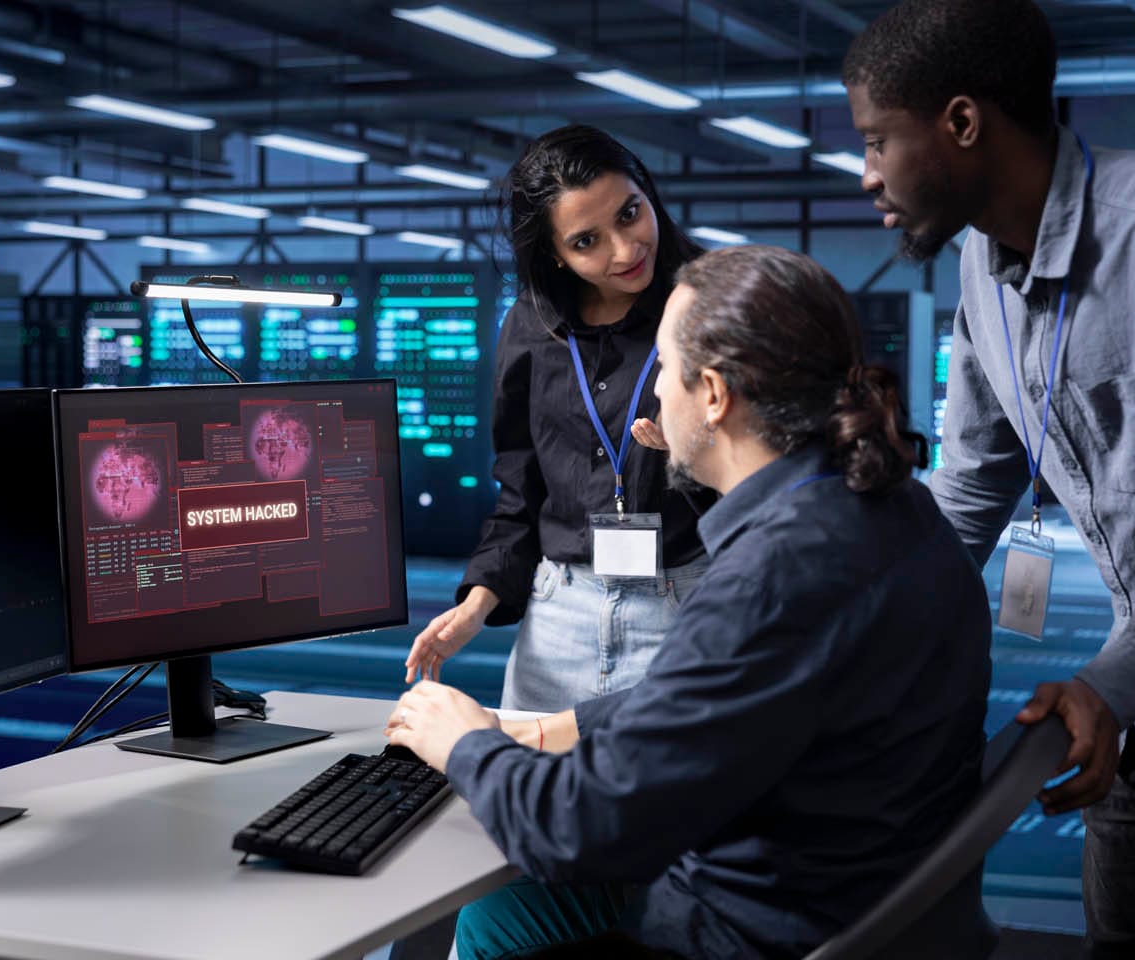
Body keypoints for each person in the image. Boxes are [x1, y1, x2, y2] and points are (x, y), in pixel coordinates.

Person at [387, 245, 996, 959]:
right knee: (496, 909)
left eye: (665, 372)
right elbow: (736, 692)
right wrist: (550, 730)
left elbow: (574, 831)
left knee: (489, 913)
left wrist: (463, 741)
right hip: (863, 907)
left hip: (737, 930)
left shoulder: (768, 577)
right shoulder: (893, 510)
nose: (654, 397)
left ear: (712, 394)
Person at [843, 2, 1135, 953]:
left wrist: (1114, 681)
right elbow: (972, 485)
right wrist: (848, 615)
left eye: (879, 141)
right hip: (1129, 727)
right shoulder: (978, 264)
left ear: (962, 123)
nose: (867, 174)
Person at [405, 124, 711, 712]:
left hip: (685, 610)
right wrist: (477, 604)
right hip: (557, 617)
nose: (624, 250)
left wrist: (691, 463)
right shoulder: (530, 326)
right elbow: (518, 494)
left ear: (647, 191)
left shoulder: (712, 298)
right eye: (587, 241)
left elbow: (765, 488)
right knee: (525, 796)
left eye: (629, 214)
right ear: (554, 253)